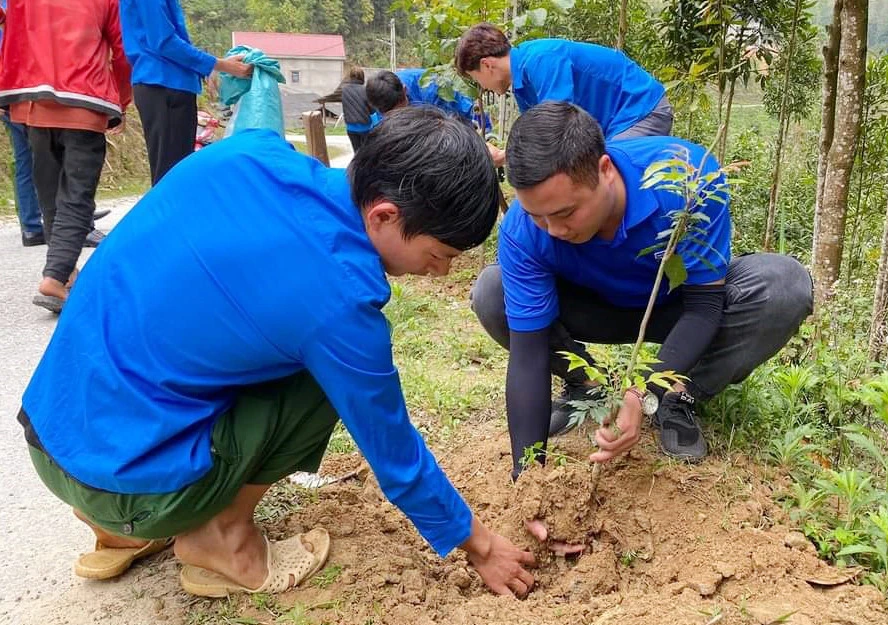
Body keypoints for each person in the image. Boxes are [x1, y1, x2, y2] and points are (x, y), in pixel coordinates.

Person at [19, 108, 538, 600]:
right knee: (323, 378)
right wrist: (481, 545)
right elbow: (394, 451)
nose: (441, 273)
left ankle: (118, 532)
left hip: (51, 433)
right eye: (438, 255)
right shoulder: (339, 300)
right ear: (384, 214)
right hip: (121, 485)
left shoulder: (251, 152)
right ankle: (221, 542)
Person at [470, 102, 812, 480]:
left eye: (566, 213)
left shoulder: (686, 180)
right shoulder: (523, 229)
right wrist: (529, 479)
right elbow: (528, 355)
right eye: (538, 215)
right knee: (492, 291)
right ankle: (589, 385)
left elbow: (703, 307)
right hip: (589, 308)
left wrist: (640, 394)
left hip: (676, 306)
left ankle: (677, 393)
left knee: (784, 286)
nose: (552, 229)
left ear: (604, 171)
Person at [0, 0, 132, 312]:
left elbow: (12, 30)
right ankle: (55, 278)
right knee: (76, 195)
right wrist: (122, 99)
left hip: (33, 100)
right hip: (83, 100)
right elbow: (123, 51)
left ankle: (65, 272)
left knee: (49, 189)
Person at [455, 24, 673, 141]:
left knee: (607, 176)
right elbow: (537, 137)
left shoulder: (541, 59)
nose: (482, 87)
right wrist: (504, 156)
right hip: (614, 125)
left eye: (477, 80)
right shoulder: (523, 86)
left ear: (486, 65)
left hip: (641, 109)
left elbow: (560, 128)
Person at [118, 0, 253, 186]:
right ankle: (169, 215)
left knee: (176, 172)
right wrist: (221, 65)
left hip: (168, 84)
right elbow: (164, 42)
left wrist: (213, 65)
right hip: (164, 84)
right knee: (171, 177)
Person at [367, 69, 506, 166]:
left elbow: (470, 112)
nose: (399, 117)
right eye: (391, 115)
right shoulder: (381, 103)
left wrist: (484, 139)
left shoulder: (434, 87)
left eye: (401, 110)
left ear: (405, 90)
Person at [339, 65, 380, 153]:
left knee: (356, 153)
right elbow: (372, 110)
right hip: (365, 128)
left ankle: (356, 166)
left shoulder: (344, 90)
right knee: (366, 153)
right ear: (362, 77)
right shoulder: (365, 90)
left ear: (350, 76)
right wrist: (377, 126)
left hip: (351, 128)